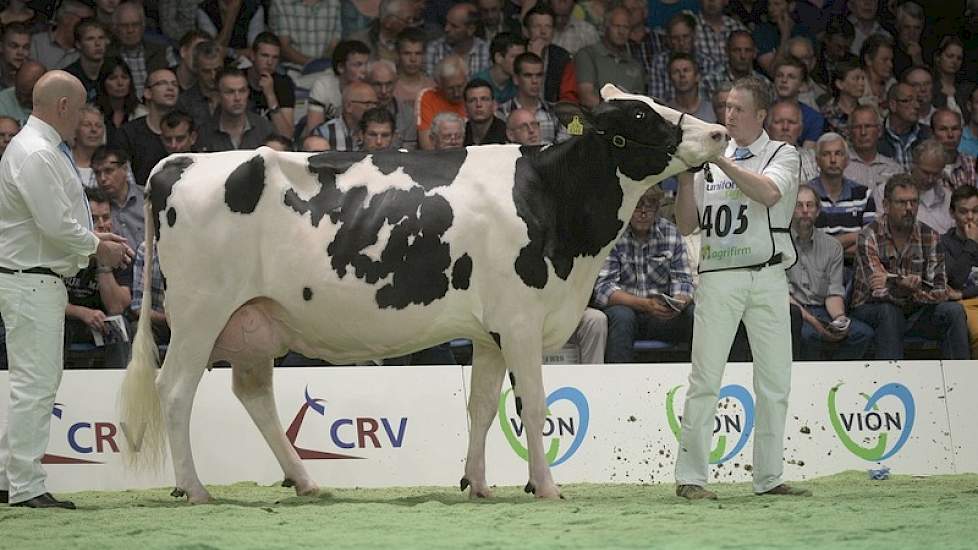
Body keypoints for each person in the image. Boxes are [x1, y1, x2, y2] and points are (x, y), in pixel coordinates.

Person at [0, 70, 132, 509]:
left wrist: (97, 242)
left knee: (32, 383)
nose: (83, 120)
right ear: (61, 107)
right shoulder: (36, 153)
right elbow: (55, 226)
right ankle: (25, 487)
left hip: (36, 279)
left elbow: (61, 221)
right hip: (32, 279)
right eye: (78, 111)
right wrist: (100, 250)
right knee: (35, 385)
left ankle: (9, 477)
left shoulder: (37, 149)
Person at [674, 76, 808, 500]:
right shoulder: (710, 157)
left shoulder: (783, 154)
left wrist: (721, 163)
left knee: (774, 382)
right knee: (705, 379)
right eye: (726, 107)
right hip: (717, 276)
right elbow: (686, 224)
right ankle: (691, 478)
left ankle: (768, 478)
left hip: (768, 276)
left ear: (761, 115)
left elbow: (767, 193)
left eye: (738, 109)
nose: (728, 115)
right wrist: (683, 177)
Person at [850, 174, 969, 360]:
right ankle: (891, 382)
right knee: (889, 312)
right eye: (901, 202)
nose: (909, 209)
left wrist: (898, 283)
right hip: (871, 308)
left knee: (953, 311)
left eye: (913, 202)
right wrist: (905, 285)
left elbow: (940, 291)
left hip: (916, 308)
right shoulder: (869, 235)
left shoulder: (930, 236)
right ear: (887, 205)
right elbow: (876, 291)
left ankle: (961, 381)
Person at [593, 187, 695, 363]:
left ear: (657, 208)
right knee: (622, 317)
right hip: (626, 310)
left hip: (662, 314)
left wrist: (678, 302)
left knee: (695, 314)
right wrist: (645, 304)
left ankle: (699, 379)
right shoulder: (612, 233)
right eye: (637, 206)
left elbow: (684, 281)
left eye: (649, 207)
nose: (643, 213)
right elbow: (604, 289)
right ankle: (618, 382)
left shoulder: (671, 233)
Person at [788, 184, 873, 360]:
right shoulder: (778, 244)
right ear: (789, 209)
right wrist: (816, 324)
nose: (805, 210)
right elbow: (781, 296)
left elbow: (833, 293)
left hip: (823, 311)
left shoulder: (832, 246)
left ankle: (836, 378)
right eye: (799, 205)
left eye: (810, 205)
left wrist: (840, 319)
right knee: (808, 336)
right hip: (793, 314)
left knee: (862, 334)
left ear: (818, 211)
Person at [63, 187, 133, 369]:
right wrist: (83, 313)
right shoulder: (65, 251)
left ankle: (116, 386)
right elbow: (47, 298)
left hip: (101, 323)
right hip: (67, 319)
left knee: (121, 326)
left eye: (106, 217)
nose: (102, 224)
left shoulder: (121, 253)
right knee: (54, 327)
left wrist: (104, 261)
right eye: (94, 219)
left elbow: (116, 306)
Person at [108, 67, 179, 186]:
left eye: (175, 84)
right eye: (162, 83)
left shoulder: (187, 130)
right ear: (147, 93)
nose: (170, 88)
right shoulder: (128, 133)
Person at [809, 133, 875, 259]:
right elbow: (807, 247)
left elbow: (869, 245)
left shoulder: (863, 195)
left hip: (855, 274)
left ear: (847, 160)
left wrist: (829, 251)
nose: (833, 160)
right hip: (815, 274)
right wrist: (852, 237)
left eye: (838, 154)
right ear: (817, 160)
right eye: (826, 154)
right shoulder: (805, 195)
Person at [871, 139, 954, 235]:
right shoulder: (885, 190)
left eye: (936, 174)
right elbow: (880, 230)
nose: (930, 179)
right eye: (925, 173)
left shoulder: (949, 198)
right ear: (913, 164)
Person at [575, 7, 645, 108]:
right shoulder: (587, 55)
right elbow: (586, 97)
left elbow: (640, 102)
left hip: (628, 121)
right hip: (594, 120)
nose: (621, 32)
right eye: (617, 26)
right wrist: (617, 114)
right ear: (606, 26)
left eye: (626, 27)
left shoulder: (636, 65)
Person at [303, 40, 371, 138]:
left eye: (366, 64)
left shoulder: (369, 88)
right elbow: (314, 132)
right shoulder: (323, 86)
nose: (365, 70)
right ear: (341, 67)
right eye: (358, 65)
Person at [196, 68, 274, 152]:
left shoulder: (264, 128)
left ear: (248, 93)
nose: (237, 98)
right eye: (230, 92)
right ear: (218, 95)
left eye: (242, 91)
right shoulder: (204, 133)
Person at [940, 185, 978, 358]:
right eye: (964, 212)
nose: (970, 217)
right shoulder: (943, 243)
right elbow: (954, 280)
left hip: (965, 297)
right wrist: (971, 243)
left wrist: (963, 293)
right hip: (964, 306)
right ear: (952, 213)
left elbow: (958, 290)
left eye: (975, 211)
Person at [106, 2, 170, 98]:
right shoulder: (106, 55)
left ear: (143, 26)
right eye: (124, 26)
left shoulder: (161, 51)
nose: (130, 30)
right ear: (115, 28)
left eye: (135, 25)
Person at [497, 52, 562, 145]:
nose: (534, 81)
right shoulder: (501, 113)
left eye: (539, 75)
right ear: (515, 79)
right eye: (528, 75)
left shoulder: (556, 112)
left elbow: (563, 151)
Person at [92, 147, 144, 250]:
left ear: (125, 169)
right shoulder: (96, 207)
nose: (102, 178)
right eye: (97, 173)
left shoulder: (147, 198)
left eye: (109, 171)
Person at [246, 32, 295, 139]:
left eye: (275, 57)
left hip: (272, 145)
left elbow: (286, 136)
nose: (269, 62)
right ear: (253, 55)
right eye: (264, 56)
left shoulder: (284, 83)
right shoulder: (238, 79)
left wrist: (270, 95)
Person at [844, 105, 901, 193]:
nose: (863, 132)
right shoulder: (840, 165)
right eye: (857, 127)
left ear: (879, 131)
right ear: (849, 132)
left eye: (868, 126)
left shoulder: (894, 169)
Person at [268, 0, 342, 68]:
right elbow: (283, 47)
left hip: (325, 70)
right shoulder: (280, 3)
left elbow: (334, 44)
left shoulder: (334, 3)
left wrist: (321, 65)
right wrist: (313, 65)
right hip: (291, 70)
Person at [771, 55, 824, 149]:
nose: (784, 80)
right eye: (779, 75)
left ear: (802, 84)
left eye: (791, 77)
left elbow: (807, 155)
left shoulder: (814, 118)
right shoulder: (761, 113)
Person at [416, 55, 468, 150]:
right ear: (439, 85)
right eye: (450, 88)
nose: (456, 93)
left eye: (460, 86)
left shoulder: (474, 96)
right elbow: (428, 145)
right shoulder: (428, 97)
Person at [425, 3, 490, 77]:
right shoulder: (434, 49)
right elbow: (430, 85)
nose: (446, 29)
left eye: (454, 26)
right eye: (447, 23)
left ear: (470, 30)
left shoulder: (485, 50)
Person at [878, 82, 930, 171]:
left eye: (918, 100)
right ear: (892, 105)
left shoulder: (928, 135)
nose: (917, 106)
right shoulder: (877, 135)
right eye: (908, 101)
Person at [312, 80, 377, 151]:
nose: (373, 108)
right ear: (348, 106)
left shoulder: (382, 131)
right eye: (367, 104)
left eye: (375, 104)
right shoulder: (324, 132)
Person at [30, 0, 93, 70]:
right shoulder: (36, 43)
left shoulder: (88, 48)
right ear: (67, 19)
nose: (89, 25)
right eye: (85, 20)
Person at [766, 100, 819, 183]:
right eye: (779, 122)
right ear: (768, 128)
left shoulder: (814, 160)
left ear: (800, 130)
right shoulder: (755, 159)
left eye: (792, 122)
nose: (785, 127)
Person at [470, 32, 524, 103]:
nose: (521, 62)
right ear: (498, 57)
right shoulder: (477, 82)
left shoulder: (520, 82)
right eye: (514, 57)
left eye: (522, 57)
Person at [64, 19, 110, 102]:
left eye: (101, 38)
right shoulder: (68, 78)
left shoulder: (115, 71)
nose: (97, 44)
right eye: (90, 39)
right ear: (78, 44)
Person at [930, 108, 977, 191]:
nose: (950, 135)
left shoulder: (972, 164)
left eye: (955, 129)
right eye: (943, 129)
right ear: (932, 133)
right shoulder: (924, 167)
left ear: (961, 132)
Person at [820, 60, 865, 139]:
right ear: (840, 84)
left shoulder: (865, 112)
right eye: (856, 79)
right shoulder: (827, 113)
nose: (861, 83)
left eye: (863, 78)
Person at [666, 52, 715, 123]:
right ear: (670, 79)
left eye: (686, 70)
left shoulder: (712, 111)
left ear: (697, 76)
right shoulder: (665, 112)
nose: (682, 75)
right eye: (676, 72)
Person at [392, 27, 434, 106]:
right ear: (397, 55)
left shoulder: (432, 87)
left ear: (424, 55)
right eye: (407, 53)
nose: (413, 59)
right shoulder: (389, 87)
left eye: (418, 53)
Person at [0, 60, 46, 127]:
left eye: (27, 95)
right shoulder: (2, 101)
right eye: (19, 92)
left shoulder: (55, 103)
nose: (22, 99)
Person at [72, 105, 108, 188]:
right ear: (75, 129)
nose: (94, 130)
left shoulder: (116, 163)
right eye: (87, 125)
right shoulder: (62, 161)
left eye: (98, 126)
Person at [463, 78, 505, 146]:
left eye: (484, 99)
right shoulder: (461, 134)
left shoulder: (506, 133)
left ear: (494, 105)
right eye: (472, 100)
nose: (478, 104)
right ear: (465, 107)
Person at [0, 22, 31, 89]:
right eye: (14, 46)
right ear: (1, 47)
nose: (20, 52)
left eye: (25, 47)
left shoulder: (35, 77)